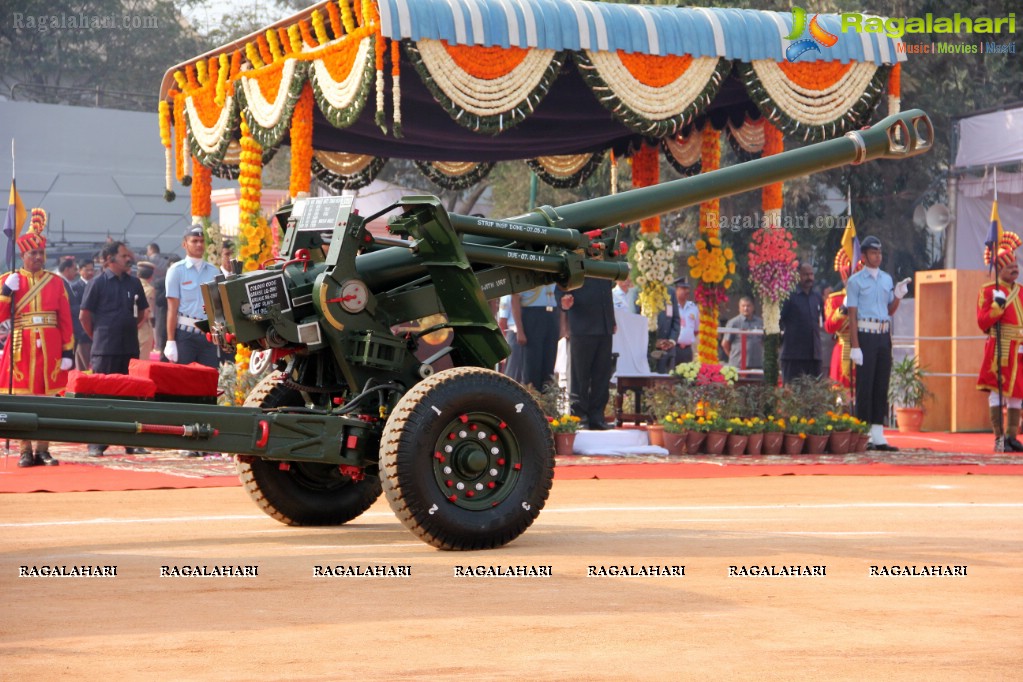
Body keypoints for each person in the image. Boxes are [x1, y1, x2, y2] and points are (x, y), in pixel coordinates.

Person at [0, 209, 74, 467]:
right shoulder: (9, 280)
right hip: (21, 345)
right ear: (23, 255)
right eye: (33, 253)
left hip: (50, 347)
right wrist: (5, 292)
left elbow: (65, 319)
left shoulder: (55, 282)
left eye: (41, 253)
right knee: (21, 400)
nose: (38, 257)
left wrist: (68, 351)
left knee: (47, 399)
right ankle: (24, 450)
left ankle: (43, 449)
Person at [80, 241, 150, 456]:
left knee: (130, 394)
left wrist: (128, 328)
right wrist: (99, 335)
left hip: (129, 347)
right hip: (104, 348)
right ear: (110, 259)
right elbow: (84, 316)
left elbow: (143, 313)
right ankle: (97, 442)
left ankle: (130, 440)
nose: (128, 258)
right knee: (102, 396)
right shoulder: (97, 283)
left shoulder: (134, 283)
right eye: (123, 255)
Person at [847, 236, 911, 452]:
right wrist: (855, 346)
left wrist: (899, 296)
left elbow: (889, 311)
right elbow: (852, 316)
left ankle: (878, 435)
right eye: (874, 253)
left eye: (880, 253)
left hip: (883, 335)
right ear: (863, 256)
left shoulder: (886, 279)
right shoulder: (855, 281)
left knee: (881, 384)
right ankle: (863, 435)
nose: (878, 257)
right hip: (865, 335)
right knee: (865, 386)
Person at [976, 231, 1023, 452]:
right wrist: (997, 306)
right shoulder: (988, 291)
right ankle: (998, 438)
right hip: (1000, 347)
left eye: (1015, 265)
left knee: (1018, 393)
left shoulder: (1022, 291)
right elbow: (983, 322)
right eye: (1009, 266)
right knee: (998, 391)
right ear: (999, 270)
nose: (1015, 269)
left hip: (1020, 348)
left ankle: (1012, 436)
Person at [560, 278, 616, 430]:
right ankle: (579, 416)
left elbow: (606, 294)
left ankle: (597, 416)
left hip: (604, 327)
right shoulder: (577, 262)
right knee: (579, 375)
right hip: (581, 325)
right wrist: (563, 302)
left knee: (602, 375)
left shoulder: (603, 265)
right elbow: (561, 289)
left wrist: (611, 320)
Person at [164, 225, 220, 370]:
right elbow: (172, 308)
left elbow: (218, 306)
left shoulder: (214, 271)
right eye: (194, 241)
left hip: (209, 336)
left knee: (208, 381)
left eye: (201, 241)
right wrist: (170, 341)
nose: (199, 244)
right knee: (184, 382)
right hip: (185, 335)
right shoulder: (176, 271)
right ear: (184, 244)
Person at [780, 262, 824, 383]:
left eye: (811, 274)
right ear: (798, 276)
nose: (809, 278)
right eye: (805, 274)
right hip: (794, 355)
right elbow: (779, 320)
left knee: (814, 393)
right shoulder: (789, 296)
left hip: (814, 355)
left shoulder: (817, 297)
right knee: (792, 392)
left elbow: (822, 321)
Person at [511, 284, 560, 391]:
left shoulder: (551, 271)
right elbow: (515, 300)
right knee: (532, 367)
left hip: (551, 315)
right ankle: (532, 399)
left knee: (549, 365)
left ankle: (547, 402)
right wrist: (520, 330)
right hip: (532, 315)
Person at [722, 296, 764, 370]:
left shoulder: (760, 322)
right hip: (738, 365)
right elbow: (725, 344)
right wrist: (733, 356)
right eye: (743, 306)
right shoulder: (733, 323)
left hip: (757, 364)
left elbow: (764, 342)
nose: (746, 308)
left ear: (753, 307)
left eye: (748, 306)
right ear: (739, 308)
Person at [72, 257, 95, 370]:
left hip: (97, 332)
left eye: (92, 270)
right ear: (80, 270)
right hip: (82, 333)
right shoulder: (75, 288)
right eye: (87, 270)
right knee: (83, 366)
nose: (90, 273)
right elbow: (74, 310)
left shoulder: (97, 285)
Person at [653, 284, 680, 373]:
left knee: (666, 384)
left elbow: (676, 319)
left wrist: (672, 340)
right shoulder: (640, 290)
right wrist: (653, 342)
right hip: (649, 349)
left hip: (668, 348)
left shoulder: (670, 291)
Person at [673, 278, 699, 365]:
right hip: (673, 348)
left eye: (687, 289)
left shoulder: (693, 307)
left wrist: (686, 340)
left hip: (687, 350)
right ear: (676, 290)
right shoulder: (671, 307)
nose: (687, 291)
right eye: (683, 289)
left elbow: (696, 330)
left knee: (687, 376)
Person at [497, 294, 522, 382]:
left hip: (524, 333)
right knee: (513, 373)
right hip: (512, 334)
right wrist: (504, 344)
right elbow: (502, 322)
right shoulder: (507, 296)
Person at [136, 261, 157, 360]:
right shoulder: (149, 289)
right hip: (143, 326)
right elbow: (147, 311)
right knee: (142, 359)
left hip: (129, 326)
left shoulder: (131, 285)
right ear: (151, 276)